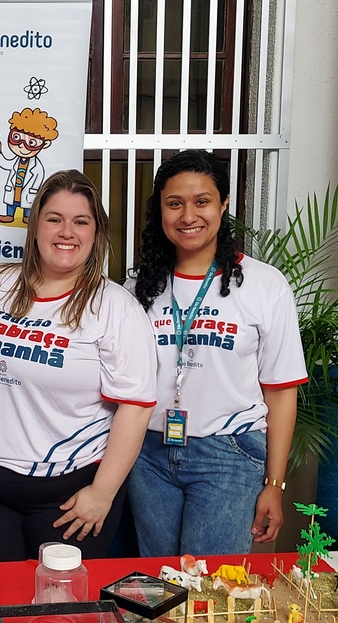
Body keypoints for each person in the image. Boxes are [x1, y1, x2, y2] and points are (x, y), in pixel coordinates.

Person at [0, 170, 157, 562]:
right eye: (54, 219)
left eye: (80, 222)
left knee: (59, 600)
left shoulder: (115, 307)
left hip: (70, 497)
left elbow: (135, 407)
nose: (67, 232)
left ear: (96, 233)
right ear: (35, 226)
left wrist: (103, 493)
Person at [129, 149, 307, 557]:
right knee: (157, 581)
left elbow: (281, 392)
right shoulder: (139, 287)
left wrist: (274, 485)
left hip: (228, 455)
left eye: (202, 201)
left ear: (224, 205)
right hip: (148, 455)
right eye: (175, 203)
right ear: (160, 210)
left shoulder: (264, 285)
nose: (188, 215)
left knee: (209, 585)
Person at [0, 108, 57, 225]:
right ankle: (10, 215)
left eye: (31, 143)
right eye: (16, 138)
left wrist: (33, 190)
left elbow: (39, 178)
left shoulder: (37, 166)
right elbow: (5, 164)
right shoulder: (16, 161)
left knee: (27, 204)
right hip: (15, 189)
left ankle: (27, 216)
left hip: (27, 191)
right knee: (12, 203)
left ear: (45, 144)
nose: (21, 146)